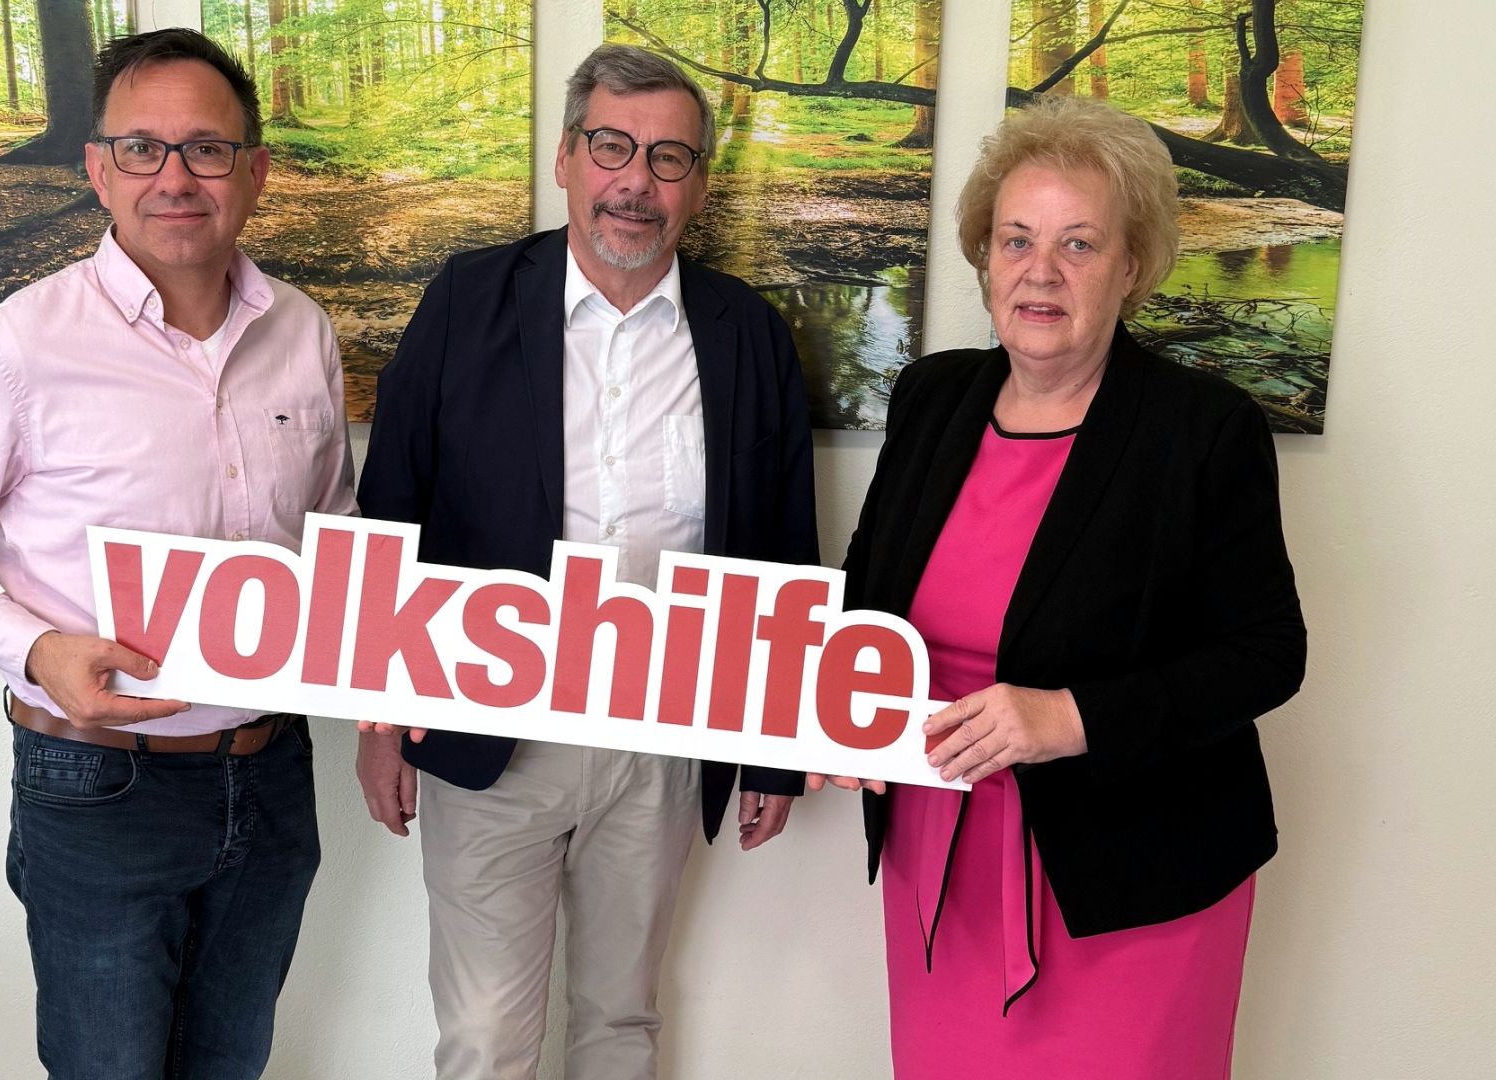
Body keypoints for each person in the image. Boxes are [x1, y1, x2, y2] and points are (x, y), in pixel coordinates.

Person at [0, 30, 356, 1080]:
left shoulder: (305, 332)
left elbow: (331, 526)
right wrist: (37, 650)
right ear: (97, 168)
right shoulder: (17, 344)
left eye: (207, 149)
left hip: (272, 775)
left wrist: (388, 654)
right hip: (96, 785)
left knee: (233, 1064)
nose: (175, 178)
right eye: (141, 148)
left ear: (256, 170)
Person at [814, 95, 1307, 1077]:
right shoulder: (932, 397)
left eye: (1079, 244)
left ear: (1132, 266)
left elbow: (1265, 655)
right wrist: (835, 710)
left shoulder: (1202, 430)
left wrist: (1068, 717)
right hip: (938, 857)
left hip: (1131, 882)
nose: (1041, 271)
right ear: (985, 255)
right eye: (1017, 240)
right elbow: (866, 587)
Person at [353, 43, 819, 1080]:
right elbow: (392, 506)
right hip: (486, 720)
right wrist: (378, 722)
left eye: (667, 157)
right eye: (612, 146)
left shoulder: (746, 334)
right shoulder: (467, 300)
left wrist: (775, 747)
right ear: (566, 157)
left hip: (665, 732)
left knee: (619, 1022)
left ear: (698, 184)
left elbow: (783, 540)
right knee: (486, 1039)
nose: (635, 182)